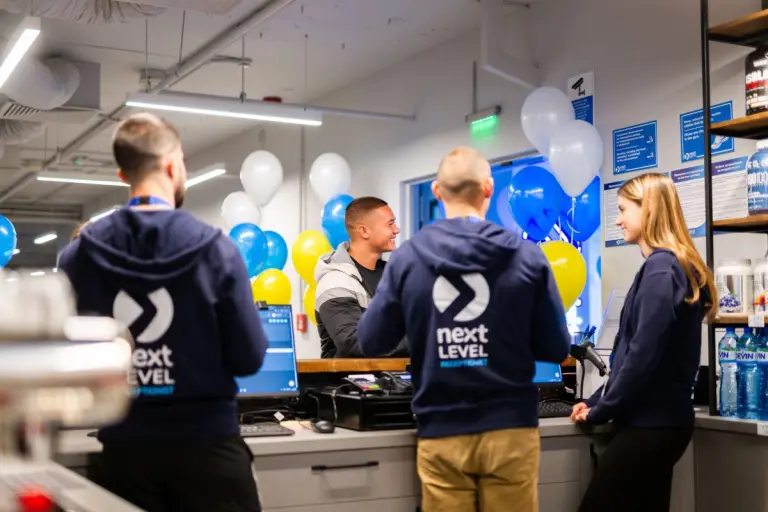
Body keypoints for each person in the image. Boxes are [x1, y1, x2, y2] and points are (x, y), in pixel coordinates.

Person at [58, 113, 268, 512]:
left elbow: (69, 361)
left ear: (123, 175)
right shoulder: (217, 250)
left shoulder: (77, 256)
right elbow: (249, 357)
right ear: (172, 165)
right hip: (210, 456)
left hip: (126, 460)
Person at [357, 147, 571, 512]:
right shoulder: (527, 255)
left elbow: (371, 340)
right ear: (488, 188)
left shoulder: (409, 257)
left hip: (443, 431)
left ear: (437, 191)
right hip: (510, 430)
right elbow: (555, 348)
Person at [571, 172, 717, 512]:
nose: (618, 220)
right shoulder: (663, 266)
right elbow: (629, 354)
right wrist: (595, 399)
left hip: (652, 426)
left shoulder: (662, 269)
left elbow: (642, 355)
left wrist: (601, 410)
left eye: (623, 209)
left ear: (648, 209)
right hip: (659, 423)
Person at [315, 196, 408, 358]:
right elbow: (354, 343)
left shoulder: (394, 276)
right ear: (364, 231)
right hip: (352, 375)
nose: (396, 230)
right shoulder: (335, 282)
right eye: (390, 224)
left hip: (399, 373)